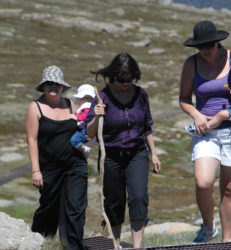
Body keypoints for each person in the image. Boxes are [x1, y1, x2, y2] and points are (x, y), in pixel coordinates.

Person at [179, 20, 231, 243]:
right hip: (206, 131)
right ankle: (208, 225)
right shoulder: (192, 64)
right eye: (201, 46)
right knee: (203, 182)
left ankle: (227, 242)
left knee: (229, 188)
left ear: (218, 42)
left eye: (210, 45)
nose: (206, 50)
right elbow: (184, 99)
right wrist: (196, 114)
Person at [84, 53, 161, 248]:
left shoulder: (141, 95)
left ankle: (136, 246)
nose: (126, 83)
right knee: (115, 199)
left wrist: (154, 153)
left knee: (138, 196)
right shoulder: (102, 97)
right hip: (111, 155)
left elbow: (147, 127)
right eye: (121, 79)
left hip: (137, 152)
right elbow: (89, 133)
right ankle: (116, 243)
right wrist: (96, 116)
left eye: (130, 79)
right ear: (112, 76)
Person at [25, 65, 88, 250]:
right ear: (43, 87)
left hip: (75, 164)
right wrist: (36, 170)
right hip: (49, 168)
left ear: (62, 87)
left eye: (57, 84)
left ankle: (73, 246)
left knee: (75, 209)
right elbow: (32, 139)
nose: (53, 87)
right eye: (49, 84)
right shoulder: (35, 107)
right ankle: (41, 242)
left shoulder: (70, 104)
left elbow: (80, 128)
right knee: (48, 210)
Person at [70, 83, 96, 159]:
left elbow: (84, 116)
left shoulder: (87, 105)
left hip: (84, 128)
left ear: (86, 98)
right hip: (86, 128)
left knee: (74, 141)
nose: (78, 100)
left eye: (79, 98)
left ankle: (85, 149)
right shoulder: (90, 105)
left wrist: (76, 116)